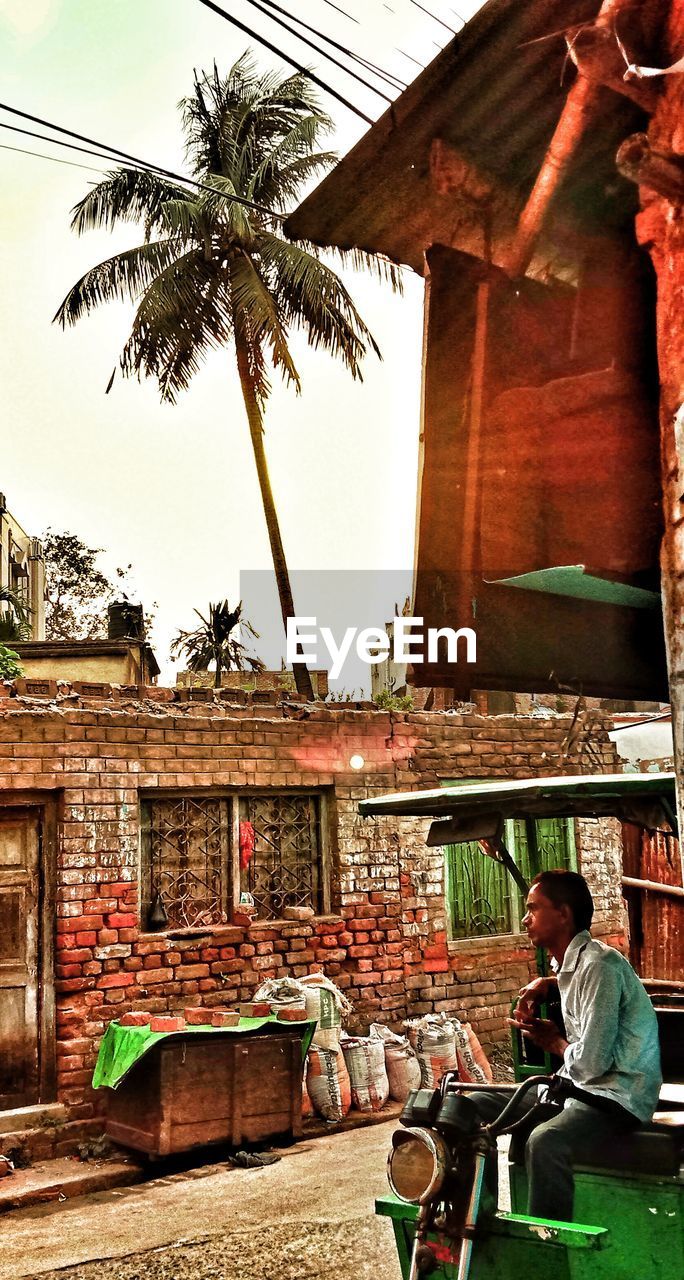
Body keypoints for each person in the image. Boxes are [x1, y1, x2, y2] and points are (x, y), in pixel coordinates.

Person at [470, 868, 662, 1223]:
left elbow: (592, 1064)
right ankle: (477, 1220)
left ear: (563, 913)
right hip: (579, 1088)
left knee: (546, 1142)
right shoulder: (573, 967)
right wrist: (546, 984)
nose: (525, 919)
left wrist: (554, 1042)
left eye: (533, 908)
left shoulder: (601, 966)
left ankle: (549, 1252)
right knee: (467, 1106)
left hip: (617, 1096)